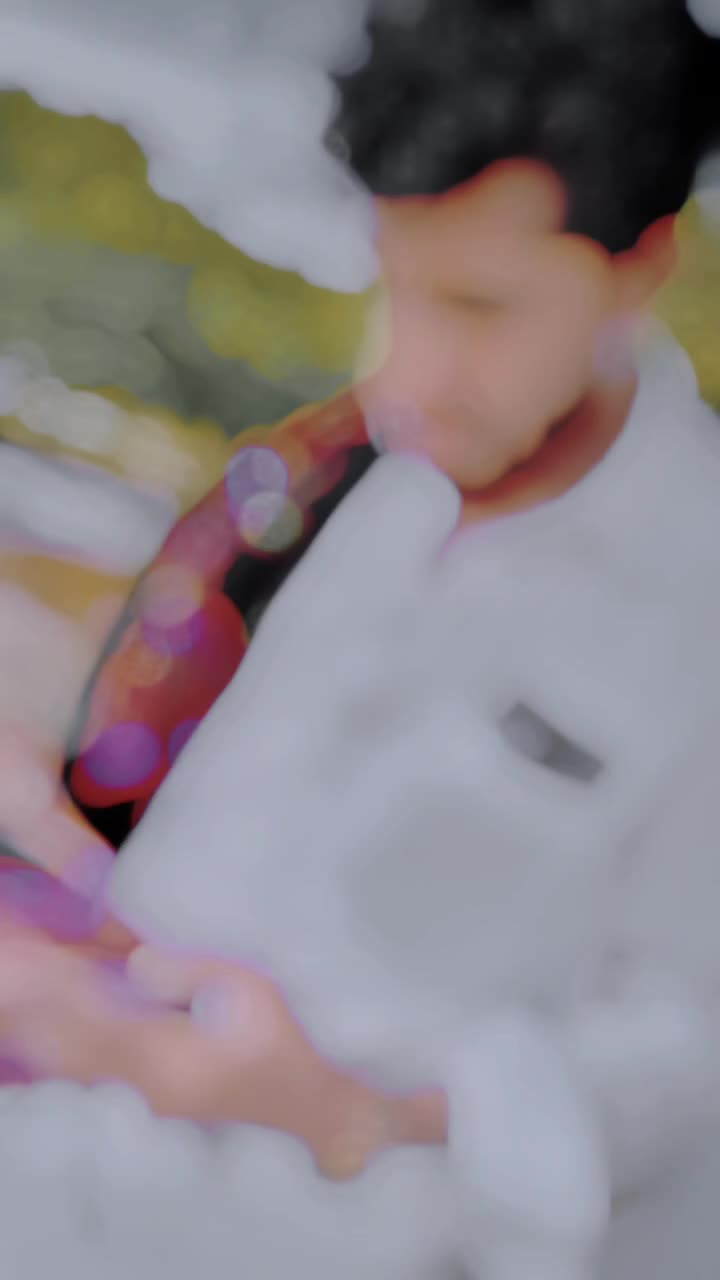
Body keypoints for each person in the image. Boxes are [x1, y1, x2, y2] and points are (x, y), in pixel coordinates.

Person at [2, 0, 720, 1177]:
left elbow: (684, 1050)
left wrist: (354, 1114)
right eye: (397, 284)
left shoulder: (698, 604)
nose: (406, 373)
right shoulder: (368, 476)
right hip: (71, 1137)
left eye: (479, 307)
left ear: (640, 268)